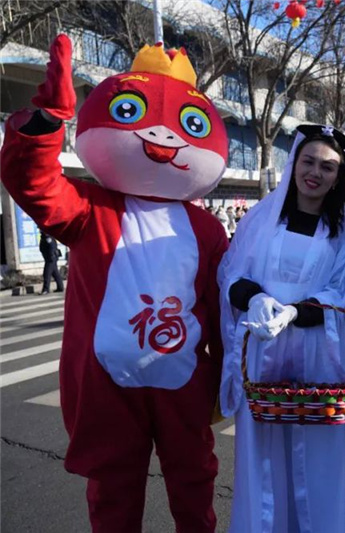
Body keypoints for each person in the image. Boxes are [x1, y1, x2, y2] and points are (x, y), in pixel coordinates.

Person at [1, 36, 229, 532]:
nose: (163, 137)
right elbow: (35, 186)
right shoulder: (91, 207)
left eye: (188, 127)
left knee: (194, 486)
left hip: (183, 378)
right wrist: (46, 120)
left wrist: (233, 369)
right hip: (107, 382)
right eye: (133, 111)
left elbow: (224, 304)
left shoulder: (208, 228)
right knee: (112, 493)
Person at [218, 124, 345, 533]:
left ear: (340, 177)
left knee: (315, 458)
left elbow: (344, 297)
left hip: (318, 355)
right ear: (295, 163)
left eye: (329, 167)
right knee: (262, 459)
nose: (316, 172)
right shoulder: (261, 218)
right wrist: (255, 299)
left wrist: (296, 313)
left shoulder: (344, 233)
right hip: (262, 349)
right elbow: (232, 275)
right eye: (309, 161)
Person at [39, 227, 64, 294]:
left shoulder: (47, 237)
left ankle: (45, 289)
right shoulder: (44, 237)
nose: (39, 230)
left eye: (40, 229)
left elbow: (51, 247)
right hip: (50, 258)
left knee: (46, 273)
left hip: (50, 258)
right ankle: (60, 287)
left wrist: (51, 256)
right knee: (55, 273)